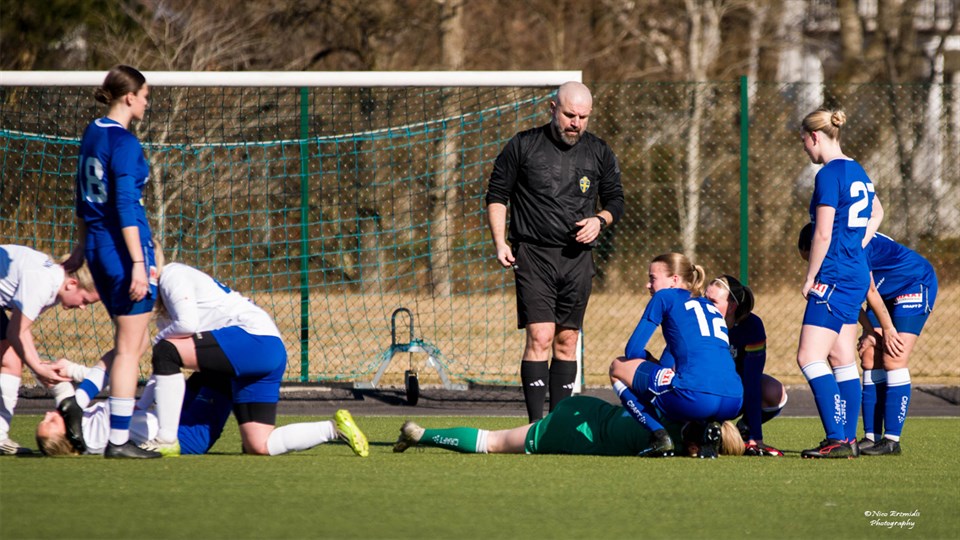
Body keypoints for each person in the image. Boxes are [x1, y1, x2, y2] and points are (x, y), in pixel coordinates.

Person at [485, 81, 625, 422]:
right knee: (541, 335)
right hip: (534, 255)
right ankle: (535, 426)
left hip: (577, 259)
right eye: (569, 115)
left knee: (567, 339)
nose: (576, 123)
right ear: (552, 109)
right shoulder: (523, 145)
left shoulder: (599, 151)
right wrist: (500, 241)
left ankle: (557, 424)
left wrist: (600, 220)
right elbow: (497, 194)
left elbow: (616, 200)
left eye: (583, 117)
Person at [127, 261, 368, 458]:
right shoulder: (167, 312)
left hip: (252, 342)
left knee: (166, 351)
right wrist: (143, 403)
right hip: (267, 351)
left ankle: (165, 439)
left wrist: (159, 341)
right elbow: (162, 368)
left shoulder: (172, 275)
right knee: (259, 444)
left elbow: (179, 335)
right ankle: (333, 429)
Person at [64, 65, 160, 458]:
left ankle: (79, 400)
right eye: (145, 96)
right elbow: (123, 205)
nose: (147, 103)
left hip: (100, 249)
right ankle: (118, 441)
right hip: (122, 252)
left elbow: (81, 194)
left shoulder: (93, 131)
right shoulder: (125, 143)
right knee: (129, 349)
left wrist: (81, 246)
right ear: (129, 97)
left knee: (133, 342)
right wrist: (138, 263)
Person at [799, 224, 937, 456]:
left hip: (913, 282)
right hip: (882, 294)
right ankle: (872, 437)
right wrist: (870, 330)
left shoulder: (850, 246)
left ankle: (892, 440)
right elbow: (852, 297)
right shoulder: (835, 252)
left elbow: (869, 290)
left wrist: (888, 328)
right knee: (869, 355)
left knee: (894, 356)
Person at [36, 363, 369, 457]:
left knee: (210, 370)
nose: (50, 415)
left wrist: (47, 368)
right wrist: (73, 373)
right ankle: (332, 429)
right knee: (229, 376)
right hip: (187, 435)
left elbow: (63, 392)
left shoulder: (81, 423)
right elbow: (112, 369)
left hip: (173, 417)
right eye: (50, 423)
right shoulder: (90, 437)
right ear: (70, 440)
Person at [795, 108, 883, 459]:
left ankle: (837, 438)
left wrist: (810, 276)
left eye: (804, 140)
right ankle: (847, 438)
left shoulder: (829, 174)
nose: (804, 147)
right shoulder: (857, 170)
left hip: (834, 274)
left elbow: (823, 233)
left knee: (809, 356)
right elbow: (877, 211)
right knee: (841, 355)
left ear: (815, 136)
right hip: (855, 272)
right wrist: (857, 244)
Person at [608, 253, 743, 458]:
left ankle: (659, 436)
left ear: (674, 280)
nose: (648, 285)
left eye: (653, 278)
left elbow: (633, 350)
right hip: (734, 400)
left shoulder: (664, 297)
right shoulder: (709, 306)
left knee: (618, 366)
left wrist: (649, 360)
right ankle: (704, 430)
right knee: (682, 380)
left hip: (697, 397)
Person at [392, 394, 744, 458]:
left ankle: (422, 434)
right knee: (493, 442)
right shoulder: (675, 446)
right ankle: (421, 434)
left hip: (585, 406)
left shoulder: (679, 410)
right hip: (578, 433)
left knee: (497, 438)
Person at [0, 244, 100, 455]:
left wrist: (38, 365)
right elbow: (15, 332)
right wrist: (38, 368)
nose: (83, 307)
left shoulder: (54, 284)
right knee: (11, 358)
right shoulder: (44, 282)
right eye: (85, 300)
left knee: (10, 360)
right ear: (72, 284)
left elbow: (21, 328)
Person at [704, 275, 786, 457]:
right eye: (705, 298)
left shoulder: (752, 326)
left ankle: (745, 430)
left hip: (735, 392)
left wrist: (756, 437)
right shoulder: (699, 322)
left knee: (774, 392)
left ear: (731, 306)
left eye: (713, 302)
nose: (705, 305)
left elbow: (751, 381)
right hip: (704, 393)